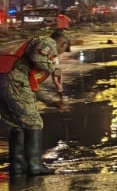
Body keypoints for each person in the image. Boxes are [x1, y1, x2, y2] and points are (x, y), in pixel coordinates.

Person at [2, 28, 68, 179]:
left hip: (4, 79)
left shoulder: (24, 66)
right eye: (62, 51)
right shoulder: (47, 42)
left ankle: (18, 165)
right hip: (11, 79)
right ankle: (34, 165)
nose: (56, 56)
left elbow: (30, 90)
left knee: (16, 123)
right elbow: (38, 58)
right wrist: (53, 69)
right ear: (62, 44)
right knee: (34, 122)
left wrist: (54, 102)